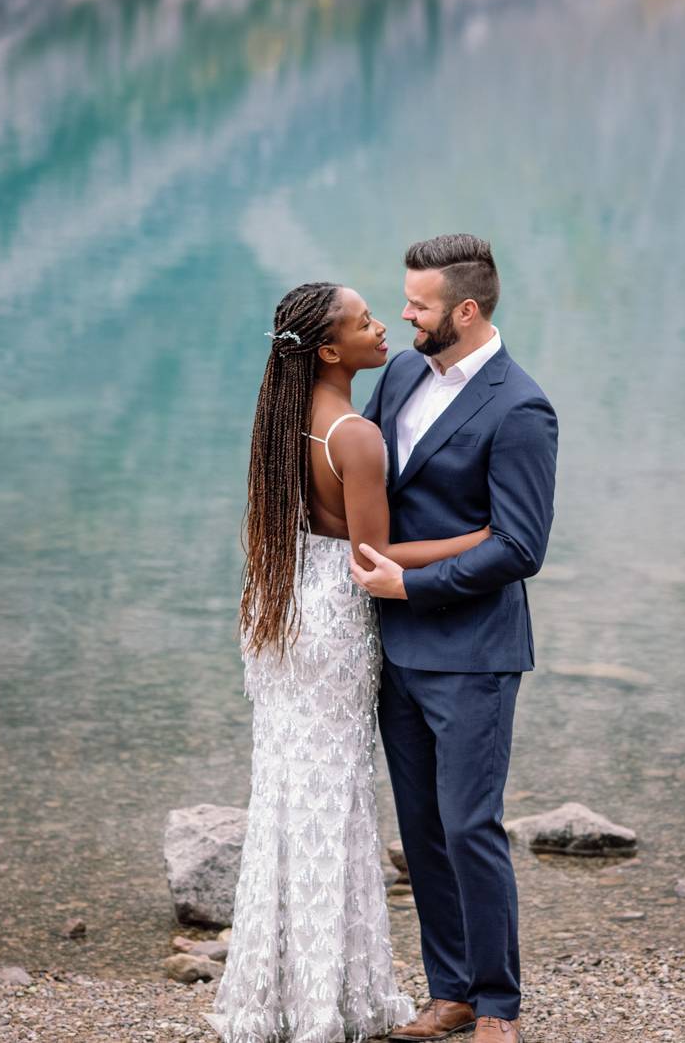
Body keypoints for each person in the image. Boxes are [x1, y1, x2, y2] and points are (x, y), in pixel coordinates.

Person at [210, 281, 490, 1043]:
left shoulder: (283, 418)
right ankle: (324, 1000)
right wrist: (478, 540)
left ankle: (276, 994)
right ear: (330, 350)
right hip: (333, 620)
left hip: (282, 609)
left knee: (286, 793)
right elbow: (374, 557)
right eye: (365, 321)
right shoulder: (354, 437)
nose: (381, 328)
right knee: (334, 798)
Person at [351, 235, 558, 1043]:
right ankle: (451, 993)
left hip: (473, 652)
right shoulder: (402, 373)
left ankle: (499, 1005)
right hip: (394, 646)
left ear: (465, 312)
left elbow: (519, 548)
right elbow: (367, 483)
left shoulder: (521, 407)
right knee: (421, 830)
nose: (403, 315)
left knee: (471, 825)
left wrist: (411, 581)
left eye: (419, 305)